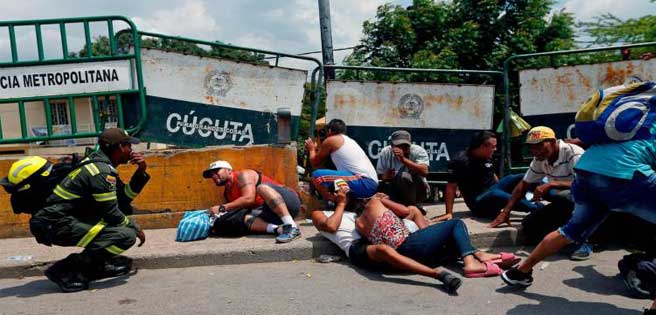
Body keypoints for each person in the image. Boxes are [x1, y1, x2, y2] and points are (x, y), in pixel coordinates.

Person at [501, 137, 656, 287]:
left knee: (568, 231)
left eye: (539, 145)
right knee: (561, 201)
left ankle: (519, 272)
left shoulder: (633, 125)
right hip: (624, 173)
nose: (535, 150)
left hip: (588, 172)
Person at [27, 128, 149, 292]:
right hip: (56, 225)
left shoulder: (101, 165)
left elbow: (123, 200)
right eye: (128, 145)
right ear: (120, 147)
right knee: (125, 236)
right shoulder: (101, 171)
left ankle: (97, 265)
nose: (131, 150)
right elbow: (112, 213)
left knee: (122, 227)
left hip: (65, 220)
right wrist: (136, 228)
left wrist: (141, 171)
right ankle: (65, 271)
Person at [311, 187, 463, 293]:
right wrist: (341, 204)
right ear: (330, 195)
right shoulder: (319, 213)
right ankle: (436, 274)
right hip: (356, 248)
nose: (345, 194)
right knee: (383, 249)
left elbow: (401, 214)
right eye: (339, 191)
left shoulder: (357, 212)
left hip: (374, 238)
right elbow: (331, 226)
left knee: (413, 216)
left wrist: (383, 203)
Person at [355, 192, 520, 279]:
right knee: (455, 223)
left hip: (405, 258)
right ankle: (471, 263)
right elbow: (405, 211)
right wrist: (384, 200)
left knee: (451, 239)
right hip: (408, 245)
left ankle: (482, 256)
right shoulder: (374, 202)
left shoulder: (359, 223)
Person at [488, 127, 592, 260]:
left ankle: (583, 242)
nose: (535, 151)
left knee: (561, 195)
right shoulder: (540, 158)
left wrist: (552, 184)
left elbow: (586, 185)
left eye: (539, 145)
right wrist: (506, 211)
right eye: (531, 147)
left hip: (585, 200)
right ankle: (560, 237)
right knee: (529, 225)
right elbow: (523, 185)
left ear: (553, 142)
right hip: (563, 202)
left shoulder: (573, 154)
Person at [439, 131, 542, 221]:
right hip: (479, 203)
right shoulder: (461, 161)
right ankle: (535, 208)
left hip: (493, 191)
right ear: (482, 146)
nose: (495, 149)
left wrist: (503, 189)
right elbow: (451, 186)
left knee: (518, 177)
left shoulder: (487, 156)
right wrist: (449, 212)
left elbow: (492, 174)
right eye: (493, 147)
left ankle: (550, 192)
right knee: (495, 193)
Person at [202, 160, 302, 243]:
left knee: (262, 188)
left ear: (229, 170)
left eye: (216, 171)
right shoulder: (227, 194)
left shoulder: (243, 175)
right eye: (211, 175)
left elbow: (249, 199)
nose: (214, 176)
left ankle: (292, 226)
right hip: (270, 214)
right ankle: (278, 229)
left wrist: (222, 207)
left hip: (288, 202)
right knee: (244, 217)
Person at [305, 119, 378, 202]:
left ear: (329, 130)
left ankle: (331, 202)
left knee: (317, 176)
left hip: (364, 182)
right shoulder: (349, 140)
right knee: (329, 178)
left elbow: (314, 162)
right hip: (369, 182)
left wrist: (311, 149)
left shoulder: (331, 140)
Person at [376, 130, 429, 209]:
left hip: (418, 191)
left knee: (404, 176)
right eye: (399, 145)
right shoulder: (385, 152)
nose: (402, 148)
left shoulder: (418, 151)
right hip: (394, 189)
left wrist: (403, 159)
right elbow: (378, 175)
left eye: (405, 145)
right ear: (392, 145)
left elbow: (425, 172)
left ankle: (411, 207)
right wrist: (384, 176)